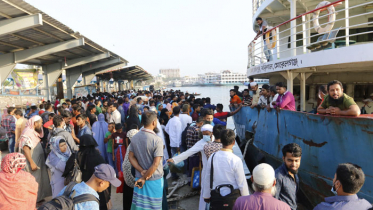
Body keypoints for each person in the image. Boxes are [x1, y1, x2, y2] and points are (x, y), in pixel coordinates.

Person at [167, 124, 214, 210]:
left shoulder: (217, 142)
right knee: (206, 194)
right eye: (203, 134)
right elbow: (188, 152)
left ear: (212, 133)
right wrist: (174, 159)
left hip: (217, 172)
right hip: (206, 172)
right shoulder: (201, 143)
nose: (205, 136)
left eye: (207, 134)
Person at [63, 135, 112, 210]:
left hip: (79, 189)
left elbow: (66, 171)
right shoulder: (98, 157)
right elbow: (106, 174)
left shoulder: (76, 155)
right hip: (97, 188)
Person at [203, 129, 249, 207]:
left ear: (221, 140)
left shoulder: (213, 157)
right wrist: (246, 198)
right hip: (233, 198)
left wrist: (206, 195)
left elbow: (207, 177)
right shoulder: (236, 160)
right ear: (233, 142)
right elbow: (241, 182)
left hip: (216, 196)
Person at [128, 111, 164, 210]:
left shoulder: (135, 138)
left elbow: (130, 157)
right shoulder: (157, 140)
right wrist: (144, 177)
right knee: (154, 207)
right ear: (154, 122)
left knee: (139, 207)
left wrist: (141, 171)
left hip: (138, 177)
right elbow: (156, 164)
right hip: (154, 179)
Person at [18, 116, 52, 202]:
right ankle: (34, 200)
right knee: (34, 180)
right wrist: (32, 163)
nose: (41, 124)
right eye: (40, 123)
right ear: (34, 123)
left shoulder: (32, 132)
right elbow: (26, 148)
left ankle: (38, 198)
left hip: (36, 160)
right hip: (32, 162)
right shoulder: (28, 133)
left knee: (39, 179)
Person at [275, 143, 302, 210]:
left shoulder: (294, 173)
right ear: (284, 159)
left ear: (300, 159)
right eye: (290, 160)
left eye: (296, 160)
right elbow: (274, 201)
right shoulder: (278, 176)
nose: (294, 164)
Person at [121, 128, 139, 210]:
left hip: (130, 179)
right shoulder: (136, 147)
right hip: (133, 179)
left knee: (129, 201)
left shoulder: (131, 147)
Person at [165, 106, 182, 179]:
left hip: (172, 142)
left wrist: (171, 135)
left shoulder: (171, 120)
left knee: (173, 158)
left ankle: (173, 174)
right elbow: (178, 134)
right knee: (176, 159)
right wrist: (178, 145)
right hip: (177, 143)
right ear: (179, 112)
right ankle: (175, 174)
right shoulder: (178, 121)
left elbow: (166, 129)